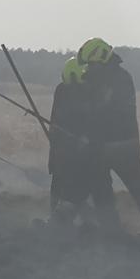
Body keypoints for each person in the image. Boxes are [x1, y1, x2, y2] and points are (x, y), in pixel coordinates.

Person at [79, 37, 140, 239]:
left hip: (116, 145)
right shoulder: (118, 77)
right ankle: (120, 231)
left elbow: (101, 112)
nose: (88, 69)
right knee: (107, 188)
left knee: (134, 187)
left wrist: (89, 136)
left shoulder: (114, 80)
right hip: (117, 144)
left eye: (91, 64)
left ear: (100, 59)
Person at [47, 58, 116, 228]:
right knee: (89, 190)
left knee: (71, 189)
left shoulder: (66, 91)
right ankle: (104, 226)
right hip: (76, 152)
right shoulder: (83, 92)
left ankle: (62, 223)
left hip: (71, 154)